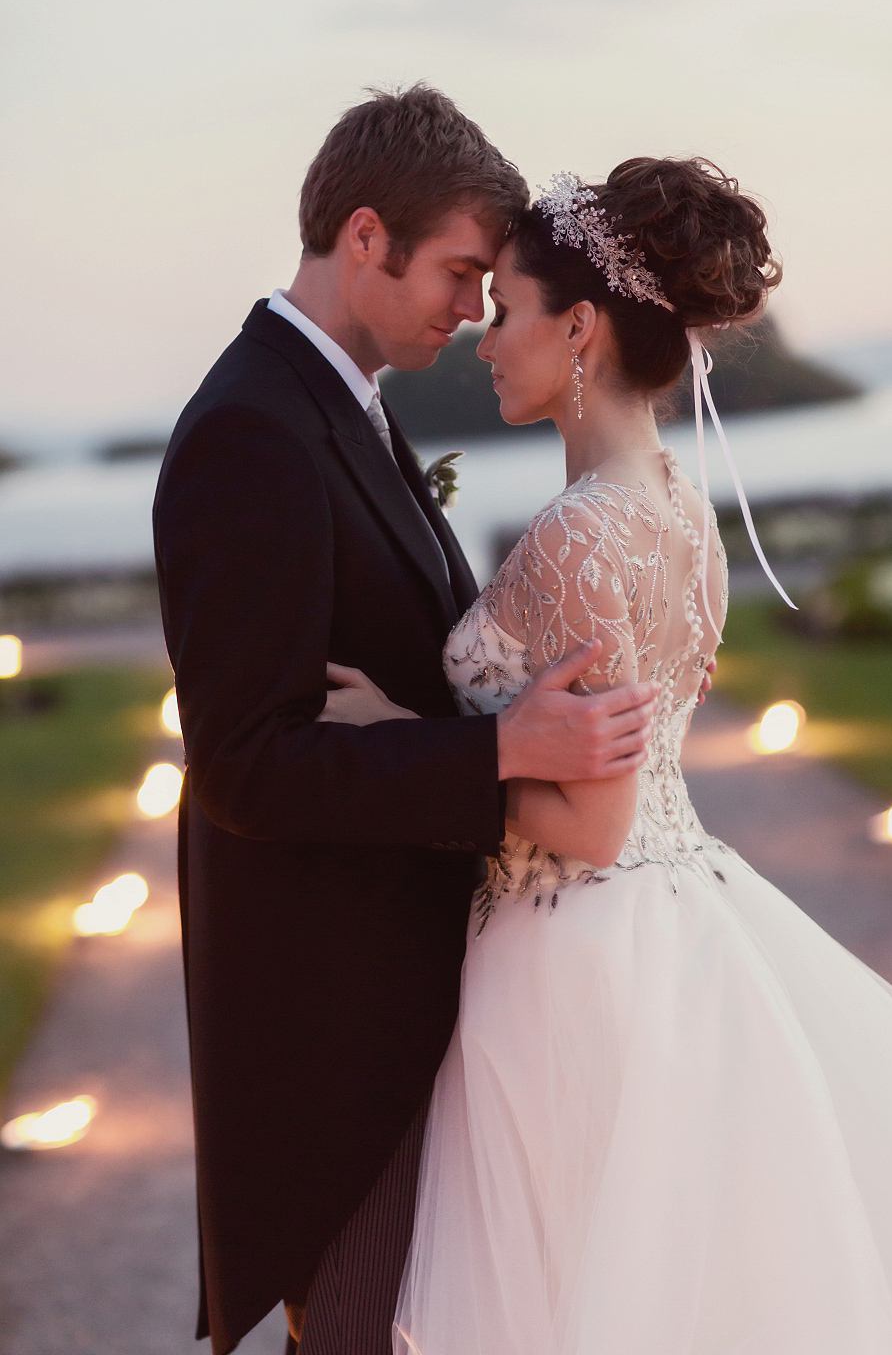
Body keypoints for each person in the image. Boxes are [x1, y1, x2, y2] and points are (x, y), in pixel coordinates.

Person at [331, 158, 892, 1354]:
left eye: (505, 310)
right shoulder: (676, 504)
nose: (483, 335)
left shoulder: (577, 536)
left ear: (580, 327)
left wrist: (400, 741)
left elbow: (591, 821)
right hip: (684, 915)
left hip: (571, 953)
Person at [152, 87, 660, 1355]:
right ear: (365, 236)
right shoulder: (249, 433)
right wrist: (500, 752)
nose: (473, 310)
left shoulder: (349, 407)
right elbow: (241, 766)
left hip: (418, 994)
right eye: (460, 273)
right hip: (335, 1028)